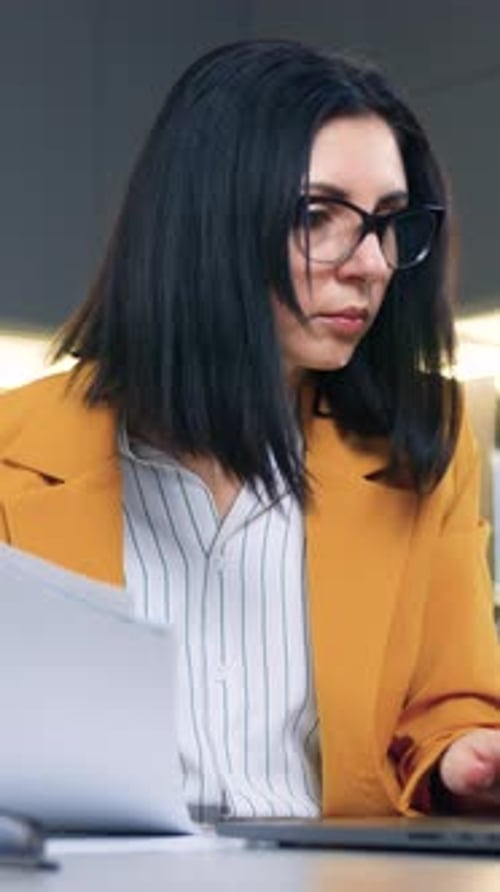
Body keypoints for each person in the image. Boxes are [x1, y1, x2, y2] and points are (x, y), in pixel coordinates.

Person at [0, 39, 499, 822]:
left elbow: (447, 710)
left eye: (390, 222)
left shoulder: (421, 446)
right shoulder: (10, 455)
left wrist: (461, 759)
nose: (371, 263)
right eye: (318, 215)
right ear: (205, 221)